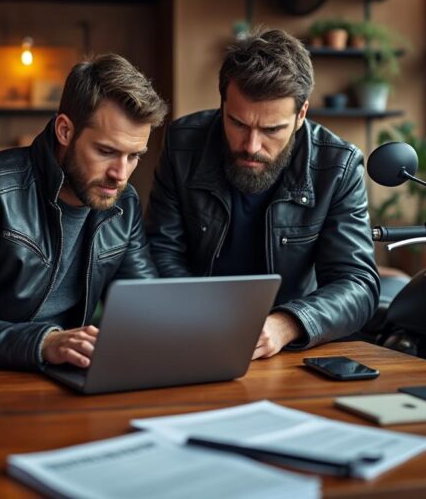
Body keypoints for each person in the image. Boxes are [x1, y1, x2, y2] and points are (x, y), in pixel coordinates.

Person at [0, 54, 167, 371]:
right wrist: (45, 343)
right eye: (106, 151)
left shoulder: (124, 203)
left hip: (51, 378)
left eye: (134, 156)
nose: (120, 174)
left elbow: (146, 310)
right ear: (65, 131)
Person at [146, 29, 379, 359]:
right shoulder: (183, 143)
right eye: (238, 123)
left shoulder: (337, 164)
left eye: (272, 130)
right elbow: (161, 250)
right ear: (222, 103)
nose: (251, 146)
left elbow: (357, 284)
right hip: (193, 334)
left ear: (301, 115)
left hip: (290, 346)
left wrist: (286, 325)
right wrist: (198, 315)